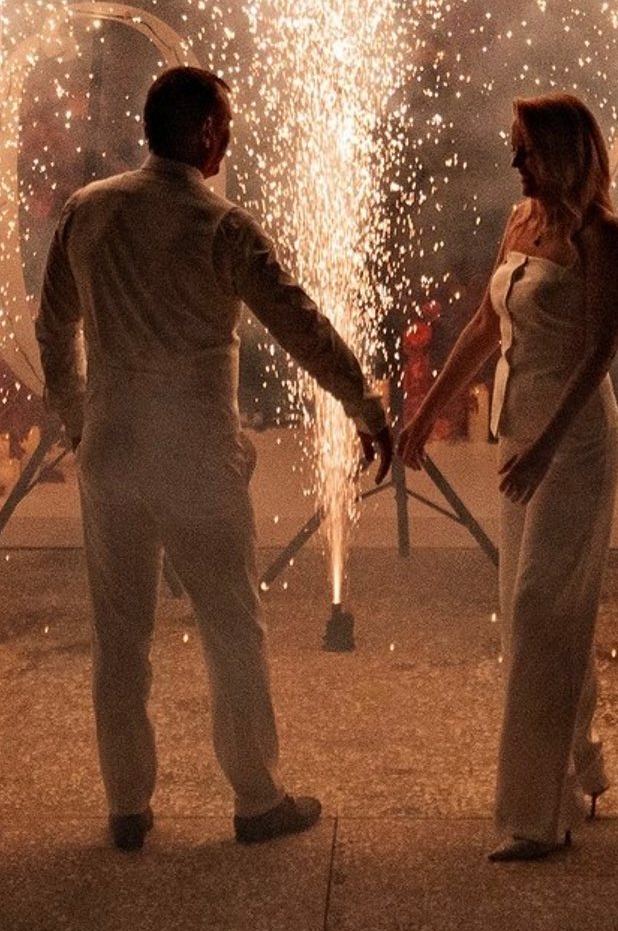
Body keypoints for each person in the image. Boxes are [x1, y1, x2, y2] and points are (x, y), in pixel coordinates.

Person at [36, 63, 393, 852]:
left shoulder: (86, 212)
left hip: (114, 448)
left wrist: (78, 419)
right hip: (196, 450)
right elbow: (301, 325)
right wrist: (365, 404)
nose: (229, 140)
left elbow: (53, 328)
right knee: (231, 623)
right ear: (204, 134)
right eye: (224, 127)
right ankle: (256, 797)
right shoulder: (220, 227)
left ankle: (127, 804)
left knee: (119, 634)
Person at [396, 93, 618, 861]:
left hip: (577, 439)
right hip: (521, 431)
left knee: (540, 608)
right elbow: (485, 325)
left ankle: (536, 814)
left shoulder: (603, 239)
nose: (514, 162)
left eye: (525, 149)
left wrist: (547, 446)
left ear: (564, 151)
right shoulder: (520, 223)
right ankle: (584, 760)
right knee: (536, 608)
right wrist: (428, 411)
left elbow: (599, 352)